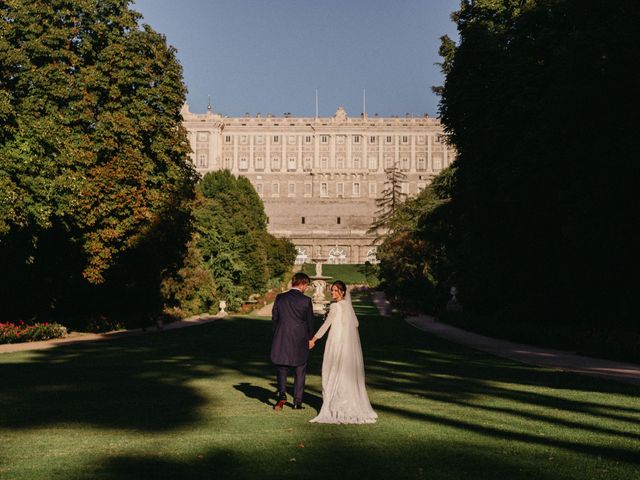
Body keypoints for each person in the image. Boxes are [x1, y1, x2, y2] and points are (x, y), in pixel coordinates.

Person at [309, 280, 377, 424]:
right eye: (332, 290)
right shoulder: (347, 306)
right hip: (346, 345)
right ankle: (346, 402)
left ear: (342, 292)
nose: (332, 293)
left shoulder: (335, 306)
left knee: (331, 371)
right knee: (343, 373)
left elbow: (326, 325)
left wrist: (313, 339)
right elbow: (356, 324)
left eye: (335, 290)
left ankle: (334, 404)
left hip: (335, 342)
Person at [270, 272, 315, 410]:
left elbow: (274, 319)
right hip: (300, 339)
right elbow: (310, 323)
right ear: (301, 284)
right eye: (306, 285)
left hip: (282, 337)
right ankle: (297, 403)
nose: (306, 288)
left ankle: (282, 394)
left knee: (282, 368)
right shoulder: (306, 301)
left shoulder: (280, 298)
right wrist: (311, 339)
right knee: (300, 370)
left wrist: (277, 334)